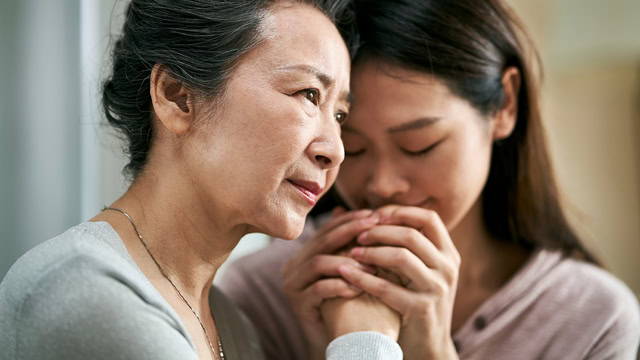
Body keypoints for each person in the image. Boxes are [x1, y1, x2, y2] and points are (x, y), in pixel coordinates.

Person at [219, 0, 640, 359]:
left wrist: (434, 352)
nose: (382, 185)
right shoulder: (258, 292)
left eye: (419, 145)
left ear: (505, 107)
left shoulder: (593, 319)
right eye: (355, 146)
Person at [0, 1, 404, 359]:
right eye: (309, 94)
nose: (335, 149)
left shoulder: (231, 324)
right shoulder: (83, 293)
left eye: (339, 116)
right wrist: (366, 341)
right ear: (178, 96)